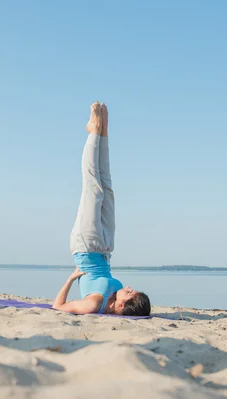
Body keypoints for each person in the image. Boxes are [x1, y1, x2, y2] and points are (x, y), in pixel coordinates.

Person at [52, 102, 150, 316]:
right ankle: (103, 131)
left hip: (86, 246)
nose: (130, 288)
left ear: (122, 306)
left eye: (131, 293)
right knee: (106, 187)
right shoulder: (115, 293)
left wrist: (70, 279)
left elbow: (58, 307)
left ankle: (94, 132)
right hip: (106, 247)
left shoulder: (94, 304)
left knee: (93, 188)